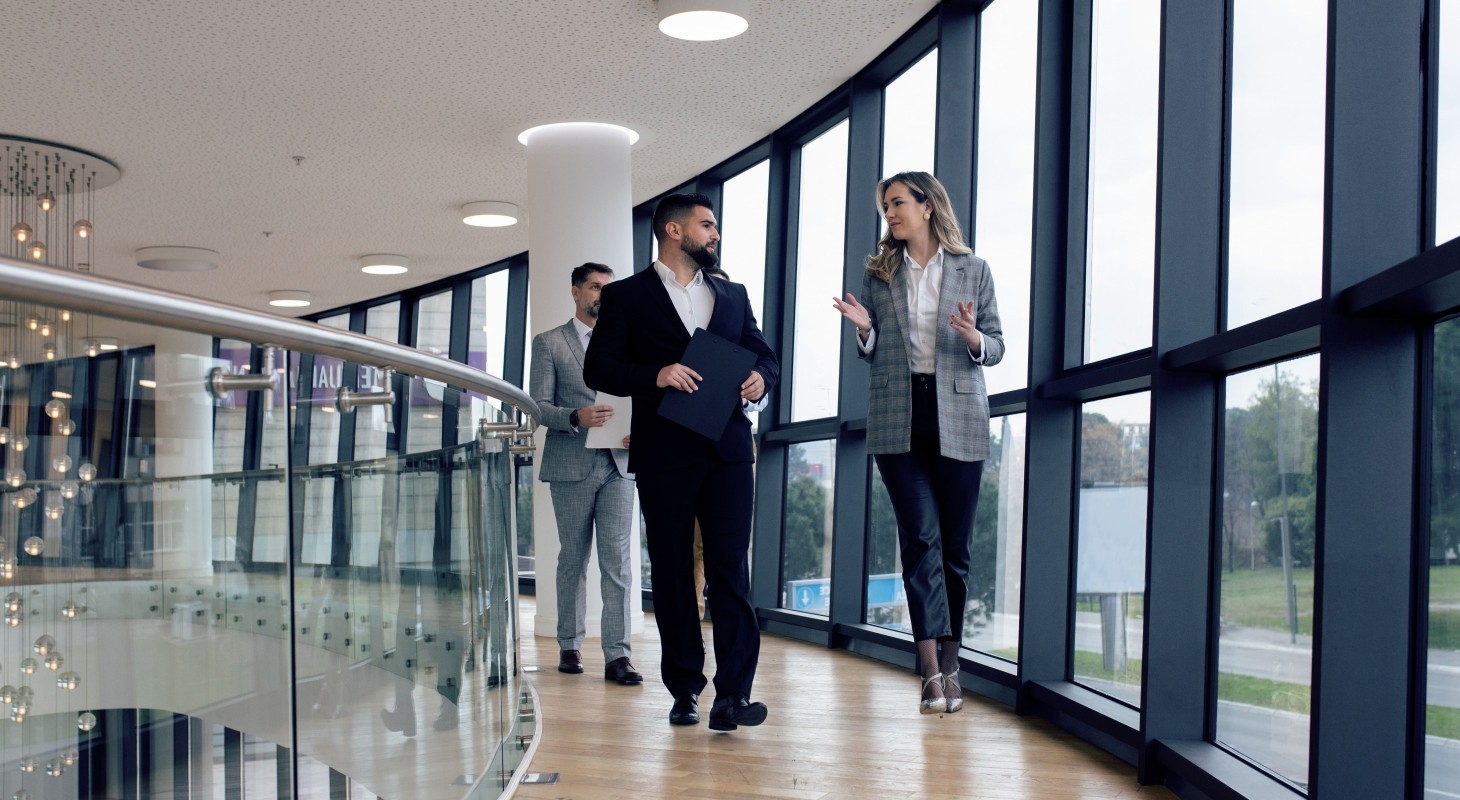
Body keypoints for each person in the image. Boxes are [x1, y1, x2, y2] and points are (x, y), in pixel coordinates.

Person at [584, 193, 778, 732]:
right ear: (674, 230)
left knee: (730, 571)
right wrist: (657, 374)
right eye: (707, 224)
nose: (715, 234)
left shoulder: (733, 293)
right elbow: (600, 367)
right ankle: (685, 689)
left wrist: (762, 379)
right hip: (666, 452)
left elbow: (765, 354)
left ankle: (733, 695)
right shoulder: (625, 296)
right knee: (672, 574)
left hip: (730, 452)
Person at [831, 171, 1004, 715]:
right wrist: (865, 330)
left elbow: (997, 345)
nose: (891, 214)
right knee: (920, 543)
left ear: (928, 207)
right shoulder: (879, 272)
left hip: (960, 414)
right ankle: (930, 673)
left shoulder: (973, 269)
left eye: (898, 203)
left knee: (955, 551)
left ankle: (953, 666)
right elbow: (876, 348)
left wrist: (974, 338)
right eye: (886, 207)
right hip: (897, 416)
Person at [530, 263, 642, 686]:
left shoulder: (628, 344)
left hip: (619, 464)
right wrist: (576, 415)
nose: (603, 295)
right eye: (596, 287)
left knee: (618, 563)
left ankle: (618, 656)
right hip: (572, 463)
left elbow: (642, 395)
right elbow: (537, 406)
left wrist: (638, 432)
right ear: (576, 292)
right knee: (573, 559)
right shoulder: (550, 343)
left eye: (608, 289)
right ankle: (569, 645)